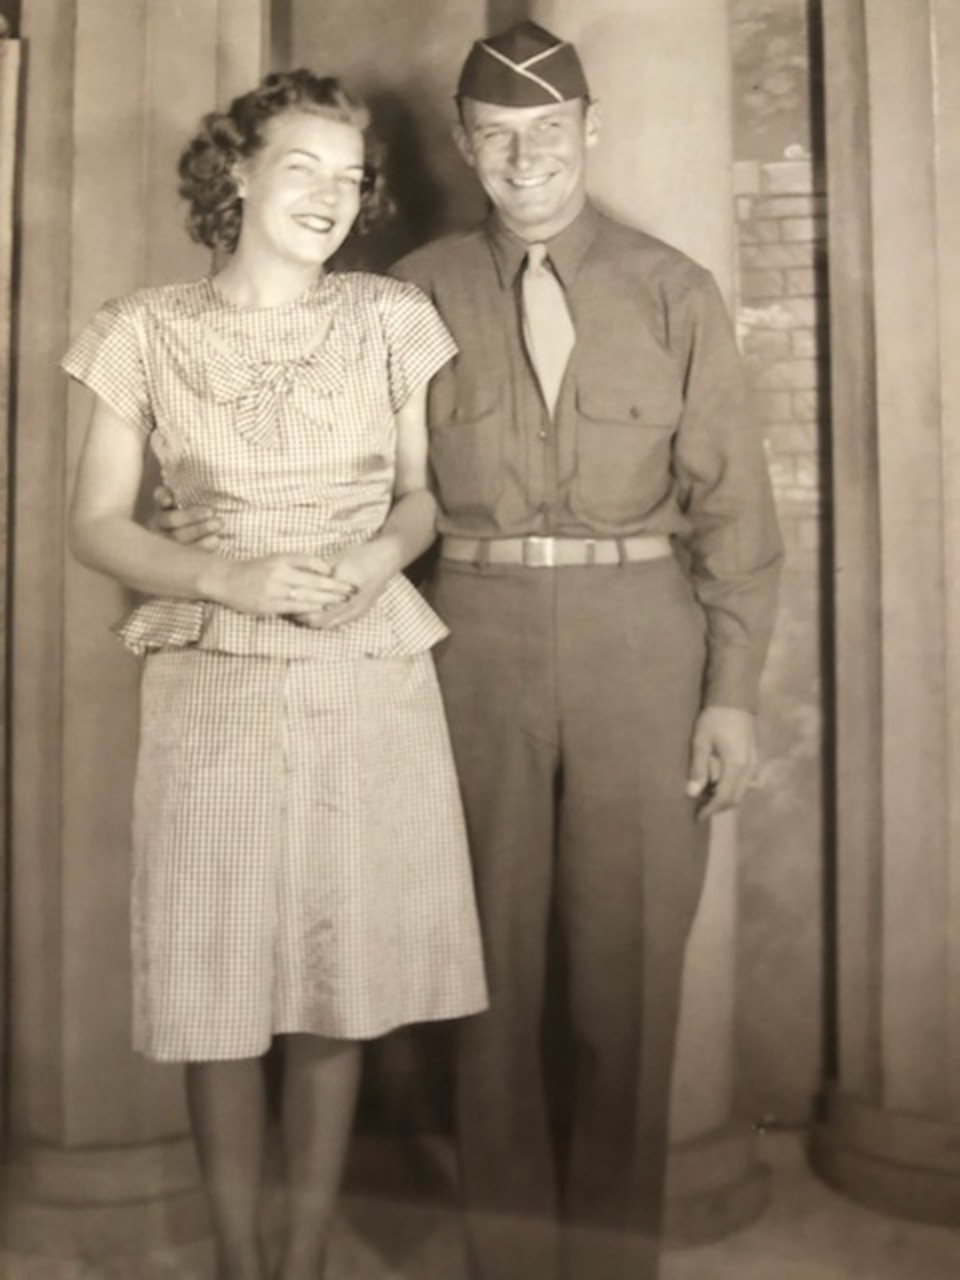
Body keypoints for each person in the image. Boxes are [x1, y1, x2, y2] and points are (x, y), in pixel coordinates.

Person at [157, 21, 783, 1280]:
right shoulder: (409, 294)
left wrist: (730, 696)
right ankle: (508, 1258)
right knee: (482, 980)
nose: (525, 160)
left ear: (589, 133)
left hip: (639, 649)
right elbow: (328, 445)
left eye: (548, 133)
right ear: (464, 146)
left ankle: (608, 1262)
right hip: (469, 653)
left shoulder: (674, 291)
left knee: (628, 986)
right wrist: (210, 504)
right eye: (496, 138)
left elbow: (737, 516)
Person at [63, 69, 487, 1280]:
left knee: (335, 981)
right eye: (300, 166)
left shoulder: (387, 318)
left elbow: (421, 499)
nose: (328, 197)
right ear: (236, 171)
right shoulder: (141, 330)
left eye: (348, 179)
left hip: (365, 667)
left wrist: (374, 559)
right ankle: (240, 1262)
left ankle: (300, 1260)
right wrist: (227, 581)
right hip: (213, 679)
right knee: (219, 986)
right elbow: (95, 524)